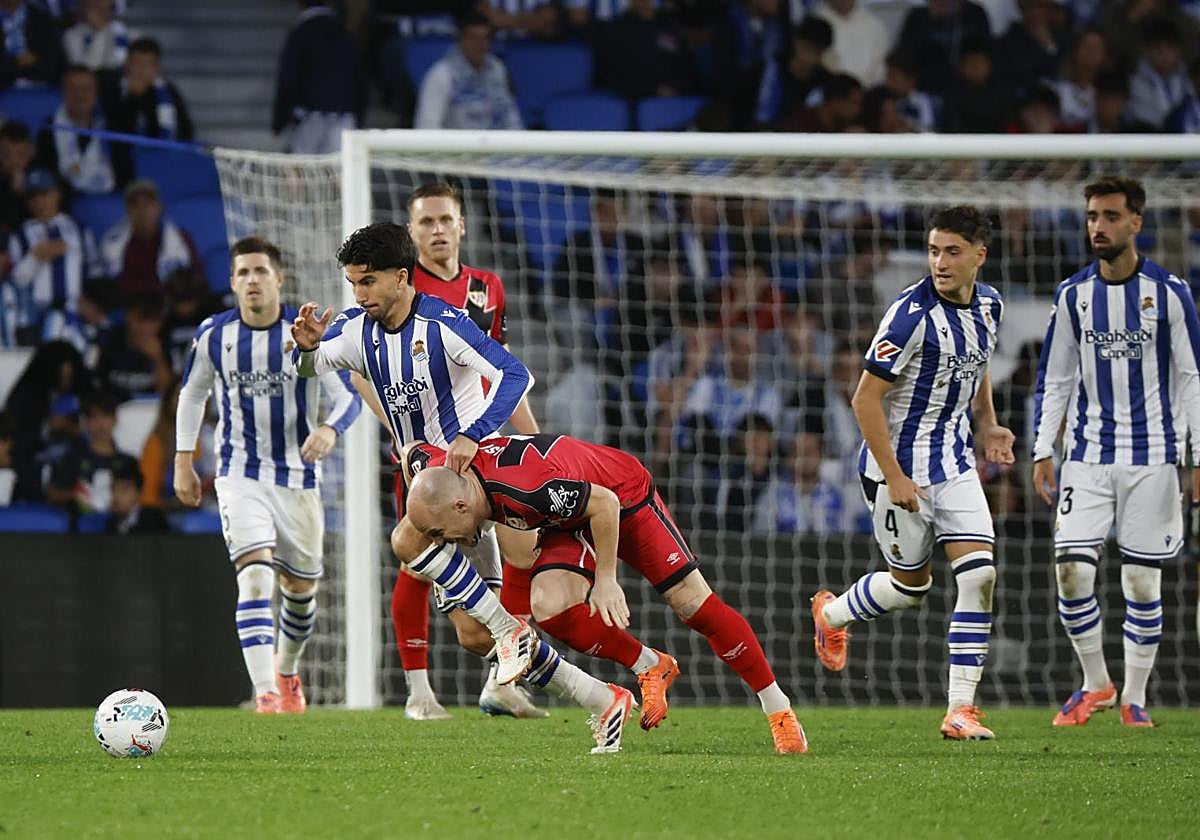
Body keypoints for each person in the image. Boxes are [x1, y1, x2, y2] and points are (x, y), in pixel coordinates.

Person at [291, 223, 637, 753]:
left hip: (474, 482)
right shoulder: (356, 329)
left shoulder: (443, 323)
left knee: (406, 541)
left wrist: (473, 434)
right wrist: (306, 349)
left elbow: (516, 376)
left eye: (368, 282)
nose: (359, 295)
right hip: (429, 489)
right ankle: (601, 696)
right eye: (353, 283)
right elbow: (311, 367)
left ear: (401, 278)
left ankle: (520, 636)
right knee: (475, 636)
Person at [401, 434, 809, 755]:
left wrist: (607, 579)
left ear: (460, 505)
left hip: (622, 497)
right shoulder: (437, 470)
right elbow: (411, 453)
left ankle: (778, 709)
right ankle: (651, 665)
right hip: (568, 518)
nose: (442, 540)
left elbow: (604, 504)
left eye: (439, 531)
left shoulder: (527, 489)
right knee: (550, 606)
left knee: (691, 604)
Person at [811, 205, 1015, 741]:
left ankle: (960, 710)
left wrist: (988, 424)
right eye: (933, 251)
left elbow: (977, 363)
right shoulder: (909, 315)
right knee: (911, 588)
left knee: (980, 575)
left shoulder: (990, 305)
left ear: (978, 256)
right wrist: (895, 475)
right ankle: (831, 616)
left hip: (955, 464)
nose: (940, 262)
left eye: (952, 252)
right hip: (897, 470)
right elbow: (863, 399)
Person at [1030, 176, 1200, 729]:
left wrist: (1197, 458)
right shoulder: (1073, 295)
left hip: (1154, 456)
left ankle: (1135, 696)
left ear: (1135, 222)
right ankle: (1095, 683)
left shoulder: (1169, 292)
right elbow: (1056, 378)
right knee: (1071, 573)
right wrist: (1042, 449)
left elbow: (1192, 376)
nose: (1098, 227)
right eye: (1091, 217)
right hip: (1087, 455)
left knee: (1141, 582)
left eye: (1109, 216)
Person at [173, 236, 364, 714]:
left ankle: (287, 671)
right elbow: (192, 394)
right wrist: (182, 459)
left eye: (260, 271)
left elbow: (349, 397)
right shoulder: (214, 335)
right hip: (238, 473)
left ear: (279, 278)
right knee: (255, 576)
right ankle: (265, 693)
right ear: (233, 282)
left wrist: (329, 429)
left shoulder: (306, 333)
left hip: (298, 477)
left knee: (300, 591)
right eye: (243, 273)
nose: (252, 280)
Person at [395, 180, 543, 720]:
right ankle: (418, 692)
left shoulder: (487, 288)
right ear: (411, 232)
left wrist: (533, 443)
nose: (437, 230)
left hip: (484, 447)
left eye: (445, 219)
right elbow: (366, 371)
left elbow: (502, 370)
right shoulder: (402, 291)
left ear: (462, 225)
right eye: (426, 221)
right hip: (427, 455)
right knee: (416, 562)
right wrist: (401, 435)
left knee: (525, 545)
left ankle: (502, 681)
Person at [271, 1, 366, 154]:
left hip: (309, 117)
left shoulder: (300, 34)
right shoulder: (345, 34)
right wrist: (358, 117)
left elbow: (287, 80)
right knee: (340, 166)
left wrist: (279, 120)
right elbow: (360, 82)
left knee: (302, 165)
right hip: (344, 117)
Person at [7, 169, 94, 330]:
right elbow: (15, 283)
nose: (39, 201)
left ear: (57, 193)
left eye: (44, 193)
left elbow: (94, 271)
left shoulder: (80, 230)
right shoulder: (19, 236)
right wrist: (35, 258)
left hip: (76, 315)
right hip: (36, 317)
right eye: (32, 196)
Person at [413, 10, 523, 130]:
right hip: (458, 141)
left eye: (485, 38)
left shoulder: (497, 68)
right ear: (460, 39)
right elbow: (426, 127)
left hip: (495, 140)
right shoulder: (441, 75)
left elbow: (510, 116)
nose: (480, 44)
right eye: (473, 37)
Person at [100, 179, 201, 298]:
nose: (142, 210)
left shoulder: (181, 238)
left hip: (172, 302)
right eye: (135, 205)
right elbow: (111, 285)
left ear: (159, 207)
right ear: (128, 211)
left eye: (148, 204)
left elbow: (196, 277)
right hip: (132, 304)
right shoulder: (113, 243)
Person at [46, 391, 139, 516]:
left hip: (119, 525)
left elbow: (140, 498)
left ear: (115, 419)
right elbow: (53, 493)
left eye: (105, 416)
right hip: (79, 524)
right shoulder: (72, 458)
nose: (100, 424)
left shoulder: (129, 462)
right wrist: (77, 496)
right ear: (85, 422)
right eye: (94, 417)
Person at [36, 64, 124, 195]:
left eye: (86, 89)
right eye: (73, 89)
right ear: (63, 92)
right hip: (65, 202)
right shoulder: (48, 131)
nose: (80, 95)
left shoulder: (111, 127)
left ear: (96, 92)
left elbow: (123, 175)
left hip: (108, 201)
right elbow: (47, 179)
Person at [108, 37, 194, 142]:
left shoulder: (169, 92)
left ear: (157, 67)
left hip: (161, 151)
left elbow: (186, 131)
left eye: (149, 64)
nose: (142, 70)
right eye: (137, 63)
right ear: (127, 64)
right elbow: (115, 134)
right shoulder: (113, 89)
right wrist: (133, 97)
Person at [106, 457, 169, 534]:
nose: (116, 495)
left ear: (138, 492)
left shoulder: (154, 520)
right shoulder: (110, 523)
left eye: (124, 489)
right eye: (113, 489)